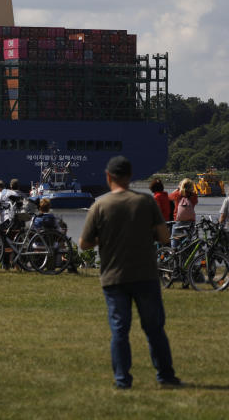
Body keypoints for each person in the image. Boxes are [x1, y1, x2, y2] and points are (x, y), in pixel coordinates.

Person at [79, 156, 179, 390]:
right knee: (154, 329)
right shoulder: (145, 202)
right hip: (145, 275)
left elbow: (83, 243)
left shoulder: (99, 205)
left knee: (119, 331)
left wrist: (102, 238)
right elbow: (165, 237)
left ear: (108, 177)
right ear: (130, 176)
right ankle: (165, 376)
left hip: (114, 277)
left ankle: (123, 380)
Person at [169, 179, 198, 249]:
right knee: (187, 244)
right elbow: (195, 202)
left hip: (178, 221)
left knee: (174, 244)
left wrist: (178, 189)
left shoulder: (177, 194)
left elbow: (169, 197)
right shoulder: (194, 196)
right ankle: (185, 258)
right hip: (191, 222)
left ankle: (174, 257)